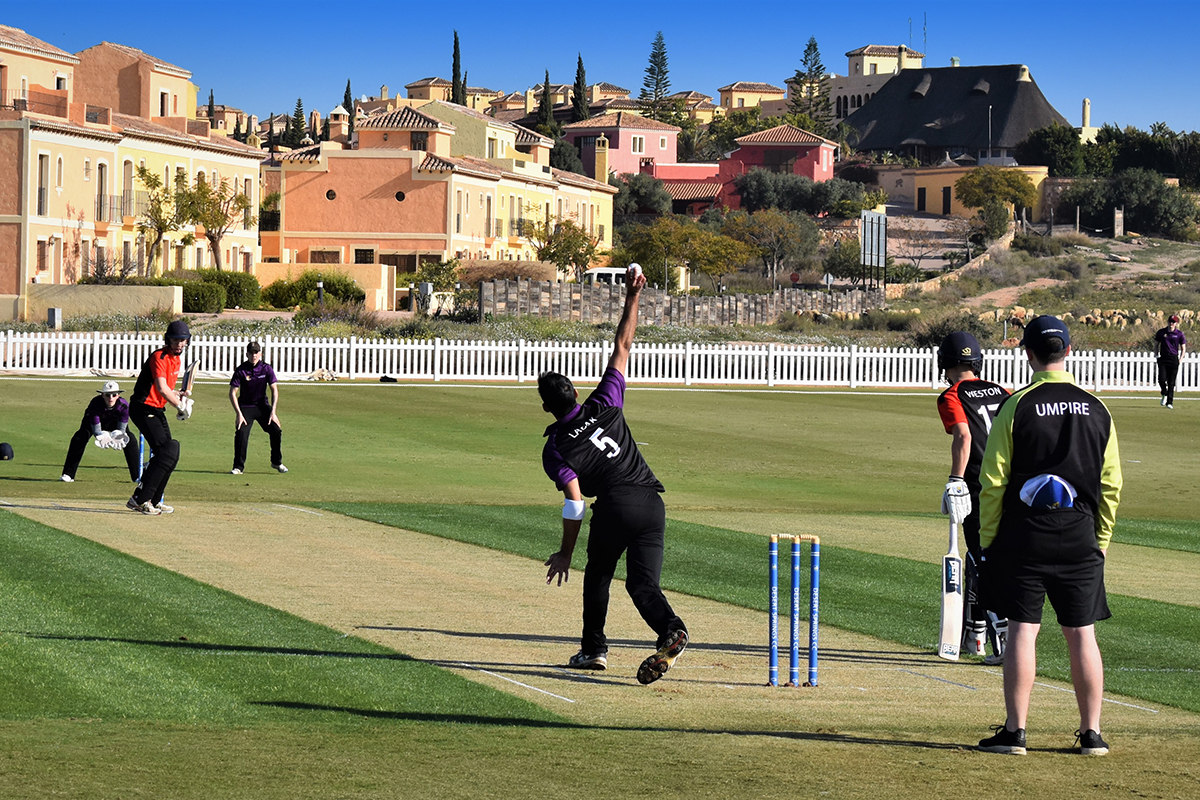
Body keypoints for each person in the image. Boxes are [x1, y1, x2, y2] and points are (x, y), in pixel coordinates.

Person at [976, 316, 1122, 757]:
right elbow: (1111, 482)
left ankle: (1015, 732)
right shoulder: (1097, 406)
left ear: (1027, 354)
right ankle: (1092, 733)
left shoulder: (1017, 404)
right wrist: (1102, 538)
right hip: (1080, 533)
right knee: (1082, 634)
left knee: (1024, 628)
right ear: (1069, 352)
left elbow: (994, 479)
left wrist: (987, 539)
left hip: (1026, 534)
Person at [539, 263, 688, 685]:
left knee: (599, 576)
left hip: (616, 507)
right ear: (575, 390)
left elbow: (574, 502)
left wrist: (566, 551)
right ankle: (672, 630)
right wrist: (633, 295)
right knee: (643, 586)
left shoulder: (556, 448)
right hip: (651, 504)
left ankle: (594, 650)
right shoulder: (606, 401)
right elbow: (623, 343)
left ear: (547, 406)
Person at [935, 332, 1010, 664]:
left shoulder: (951, 395)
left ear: (945, 363)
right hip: (1012, 484)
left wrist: (955, 481)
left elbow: (964, 436)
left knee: (983, 561)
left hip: (980, 487)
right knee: (987, 559)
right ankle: (974, 635)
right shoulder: (1002, 391)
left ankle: (1005, 643)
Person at [127, 319, 194, 515]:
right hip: (142, 407)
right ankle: (139, 499)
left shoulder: (177, 360)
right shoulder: (160, 356)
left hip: (156, 409)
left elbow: (167, 389)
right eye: (176, 340)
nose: (180, 344)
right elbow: (161, 389)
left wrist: (180, 396)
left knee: (171, 451)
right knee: (166, 452)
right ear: (168, 339)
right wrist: (180, 406)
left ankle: (154, 500)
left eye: (183, 340)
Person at [60, 380, 140, 483]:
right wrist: (99, 434)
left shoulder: (124, 405)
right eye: (107, 395)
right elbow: (96, 428)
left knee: (131, 440)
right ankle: (68, 474)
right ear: (102, 395)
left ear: (118, 395)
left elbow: (122, 428)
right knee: (79, 438)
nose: (110, 398)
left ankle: (137, 476)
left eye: (114, 395)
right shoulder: (95, 404)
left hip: (114, 422)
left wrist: (119, 434)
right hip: (93, 421)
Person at [228, 341, 286, 475]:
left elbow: (274, 390)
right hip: (245, 407)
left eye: (256, 352)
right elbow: (232, 392)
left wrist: (273, 412)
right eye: (251, 353)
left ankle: (276, 462)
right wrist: (239, 414)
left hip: (262, 407)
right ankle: (238, 467)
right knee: (241, 433)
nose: (254, 355)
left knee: (276, 430)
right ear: (247, 354)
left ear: (260, 354)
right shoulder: (241, 369)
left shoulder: (266, 369)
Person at [1154, 314, 1187, 409]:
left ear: (1176, 323)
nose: (1171, 324)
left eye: (1173, 322)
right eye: (1170, 321)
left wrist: (1180, 359)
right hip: (1163, 358)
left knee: (1171, 382)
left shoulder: (1179, 334)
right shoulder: (1161, 332)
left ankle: (1169, 402)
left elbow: (1183, 347)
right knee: (1161, 379)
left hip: (1173, 359)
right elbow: (1156, 344)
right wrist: (1156, 355)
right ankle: (1164, 393)